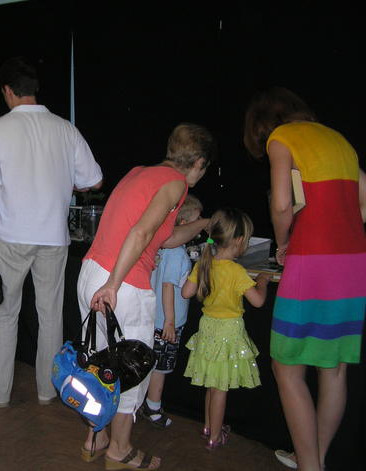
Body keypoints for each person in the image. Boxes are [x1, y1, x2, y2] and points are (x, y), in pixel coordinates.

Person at [77, 123, 214, 469]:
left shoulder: (140, 172)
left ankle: (95, 438)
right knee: (132, 370)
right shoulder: (176, 183)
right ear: (198, 162)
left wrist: (203, 224)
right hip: (123, 283)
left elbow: (162, 239)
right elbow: (141, 233)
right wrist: (114, 283)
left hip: (91, 272)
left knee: (100, 364)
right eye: (204, 168)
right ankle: (120, 449)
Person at [243, 87, 366, 471]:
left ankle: (310, 466)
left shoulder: (283, 137)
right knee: (334, 368)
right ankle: (314, 460)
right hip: (354, 261)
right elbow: (363, 201)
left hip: (313, 258)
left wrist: (284, 243)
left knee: (286, 367)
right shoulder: (339, 140)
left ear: (263, 124)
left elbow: (281, 204)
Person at [0, 56, 103, 407]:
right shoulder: (65, 128)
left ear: (7, 91)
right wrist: (63, 180)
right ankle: (48, 390)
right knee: (50, 316)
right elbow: (95, 180)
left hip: (12, 236)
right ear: (35, 89)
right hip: (54, 238)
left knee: (4, 315)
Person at [181, 208, 271, 450]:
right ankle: (215, 437)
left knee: (212, 383)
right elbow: (258, 301)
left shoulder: (204, 263)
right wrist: (262, 282)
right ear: (239, 241)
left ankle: (208, 426)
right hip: (228, 333)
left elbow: (186, 293)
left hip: (207, 329)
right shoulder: (236, 271)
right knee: (220, 388)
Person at [138, 194, 203, 428]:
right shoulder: (177, 254)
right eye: (196, 221)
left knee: (150, 362)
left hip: (154, 318)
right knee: (160, 367)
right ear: (184, 224)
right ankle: (153, 407)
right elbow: (168, 286)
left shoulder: (163, 248)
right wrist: (170, 321)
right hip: (165, 322)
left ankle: (140, 402)